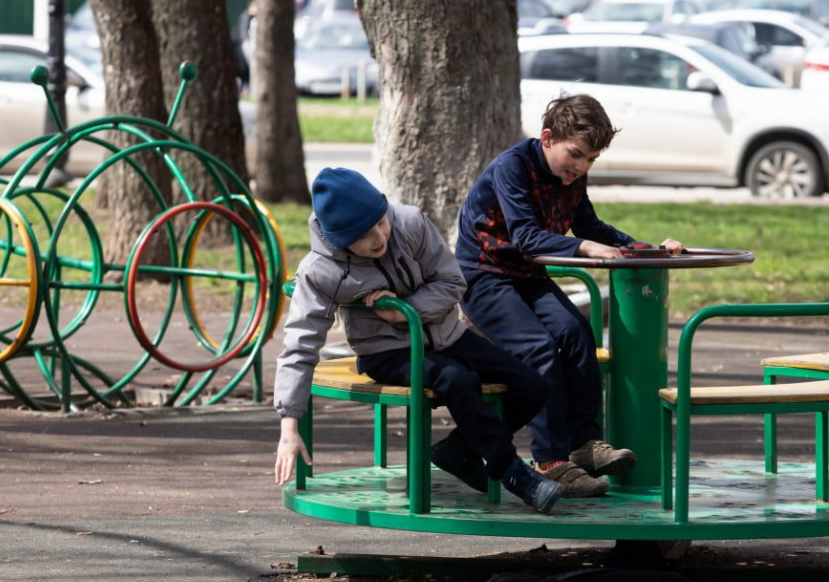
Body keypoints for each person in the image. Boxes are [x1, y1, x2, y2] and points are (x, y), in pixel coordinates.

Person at [272, 168, 564, 514]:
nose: (380, 236)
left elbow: (453, 281)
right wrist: (288, 425)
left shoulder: (409, 223)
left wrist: (405, 309)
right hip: (386, 352)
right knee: (456, 379)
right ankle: (514, 473)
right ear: (339, 239)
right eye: (365, 235)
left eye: (381, 222)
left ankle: (459, 449)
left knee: (533, 385)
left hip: (445, 334)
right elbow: (300, 345)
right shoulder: (320, 270)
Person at [454, 94, 682, 498]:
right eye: (575, 154)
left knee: (577, 333)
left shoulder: (571, 178)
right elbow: (525, 236)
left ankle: (584, 445)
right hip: (484, 277)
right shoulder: (513, 167)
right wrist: (584, 248)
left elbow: (588, 225)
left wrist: (645, 249)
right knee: (539, 349)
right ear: (546, 138)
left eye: (591, 160)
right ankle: (551, 461)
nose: (581, 167)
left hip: (527, 275)